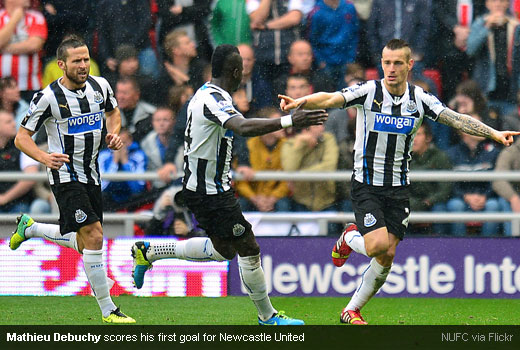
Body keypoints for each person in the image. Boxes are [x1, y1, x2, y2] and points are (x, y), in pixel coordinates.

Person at [279, 38, 520, 325]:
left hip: (398, 187)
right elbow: (331, 98)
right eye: (386, 62)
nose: (390, 69)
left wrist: (493, 133)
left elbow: (456, 119)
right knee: (377, 246)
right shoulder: (369, 92)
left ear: (409, 65)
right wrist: (300, 102)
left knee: (387, 257)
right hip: (367, 183)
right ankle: (349, 237)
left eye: (396, 63)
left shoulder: (420, 99)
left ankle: (351, 310)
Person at [131, 44, 328, 325]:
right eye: (242, 71)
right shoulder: (213, 99)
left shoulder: (208, 95)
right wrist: (288, 121)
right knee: (249, 247)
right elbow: (243, 127)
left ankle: (148, 252)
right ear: (236, 72)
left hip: (210, 188)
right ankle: (268, 317)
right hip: (208, 191)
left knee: (224, 250)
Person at [9, 36, 135, 323]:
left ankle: (31, 229)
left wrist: (114, 133)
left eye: (86, 58)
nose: (83, 65)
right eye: (77, 60)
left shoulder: (100, 86)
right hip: (64, 174)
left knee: (86, 241)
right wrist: (43, 157)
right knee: (94, 235)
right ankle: (108, 310)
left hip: (92, 173)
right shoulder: (48, 97)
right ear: (62, 65)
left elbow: (113, 113)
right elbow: (21, 138)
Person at [0, 0, 48, 101]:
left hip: (30, 87)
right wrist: (15, 19)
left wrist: (3, 48)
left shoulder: (36, 17)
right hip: (2, 88)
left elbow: (34, 45)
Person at [492, 137, 520, 236]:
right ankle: (513, 242)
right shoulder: (510, 152)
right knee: (504, 202)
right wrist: (513, 197)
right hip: (515, 194)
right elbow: (498, 180)